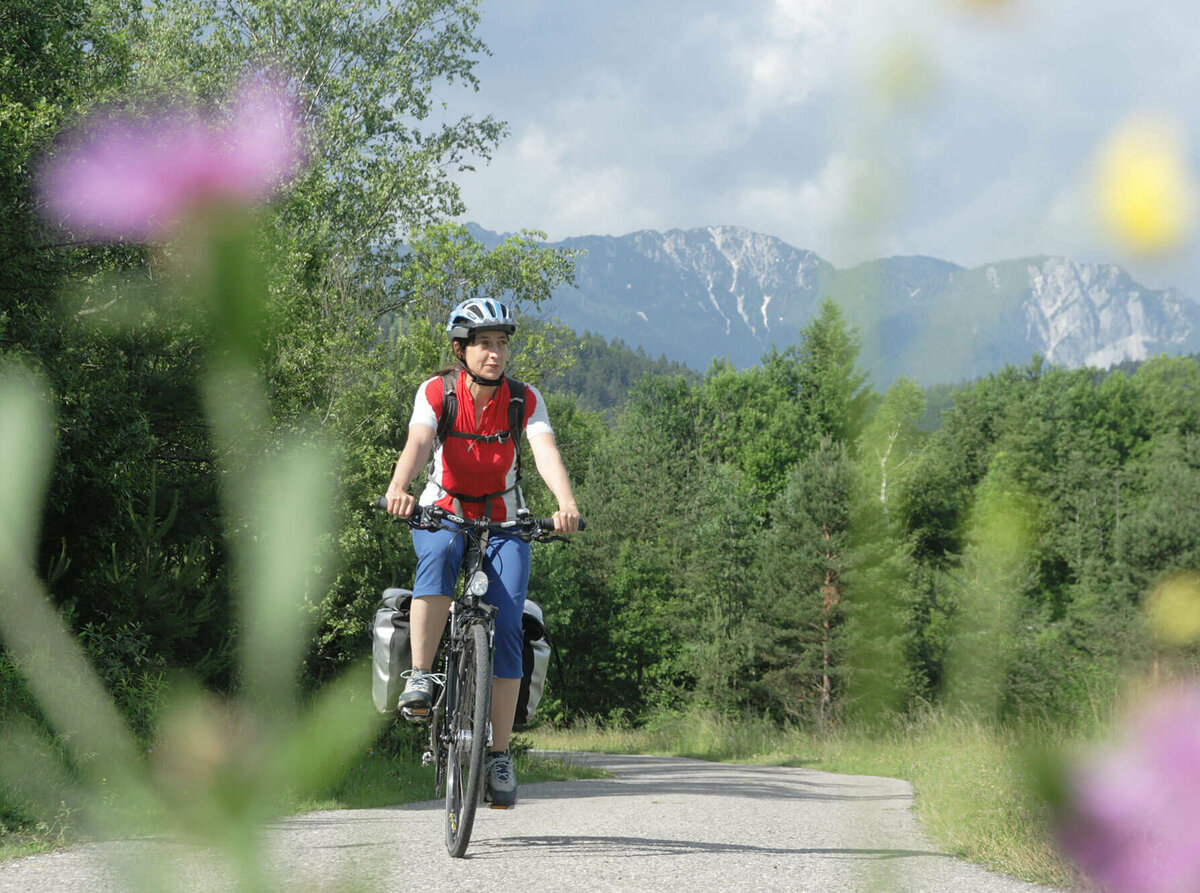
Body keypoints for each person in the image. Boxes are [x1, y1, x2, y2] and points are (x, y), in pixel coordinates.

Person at [383, 297, 580, 808]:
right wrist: (399, 487)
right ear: (460, 349)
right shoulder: (437, 392)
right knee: (441, 555)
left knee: (510, 623)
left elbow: (544, 452)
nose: (496, 354)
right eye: (485, 344)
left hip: (503, 518)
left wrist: (565, 503)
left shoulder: (523, 399)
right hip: (443, 509)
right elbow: (420, 442)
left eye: (502, 344)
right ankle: (422, 674)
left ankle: (498, 754)